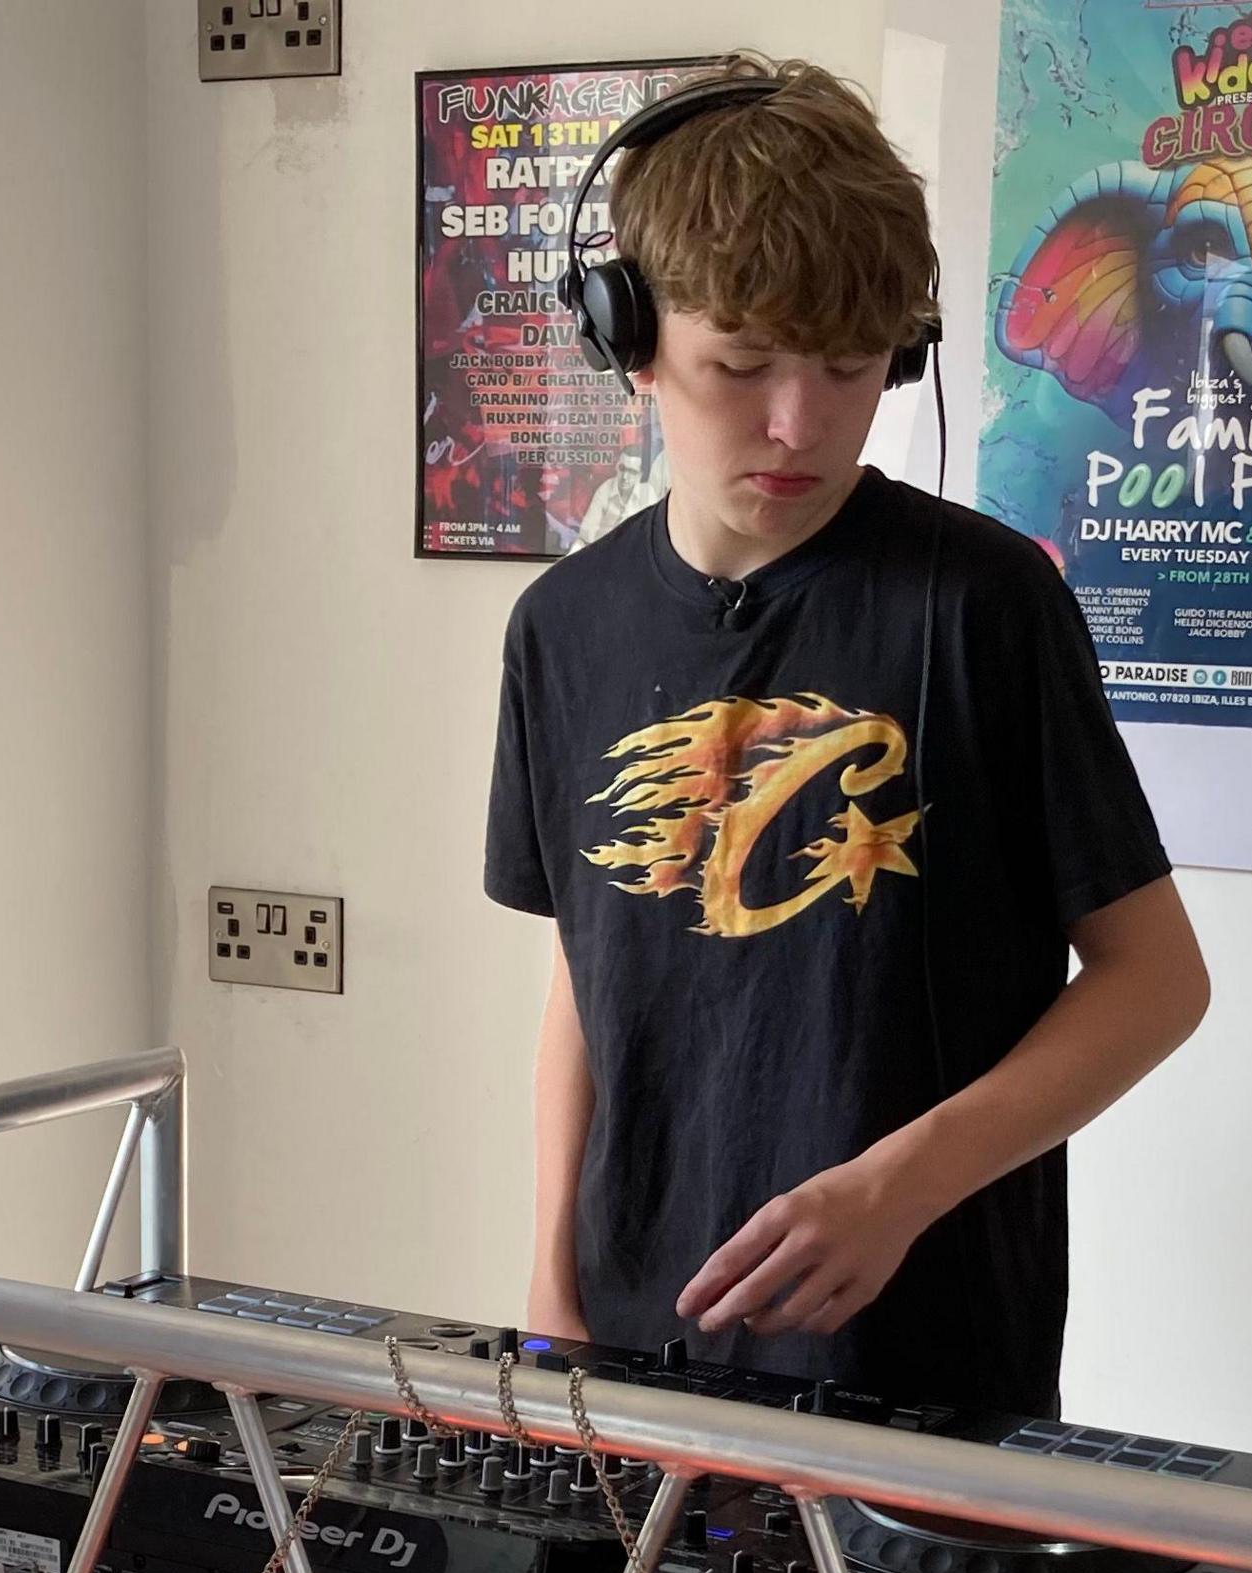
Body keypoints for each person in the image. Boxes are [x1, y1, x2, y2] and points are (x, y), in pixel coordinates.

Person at [481, 56, 1209, 1414]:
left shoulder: (986, 606)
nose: (797, 423)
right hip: (633, 1343)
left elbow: (1155, 982)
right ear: (626, 334)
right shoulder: (562, 629)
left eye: (850, 367)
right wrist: (549, 1285)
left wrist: (898, 1188)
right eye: (741, 366)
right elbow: (589, 968)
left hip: (920, 1347)